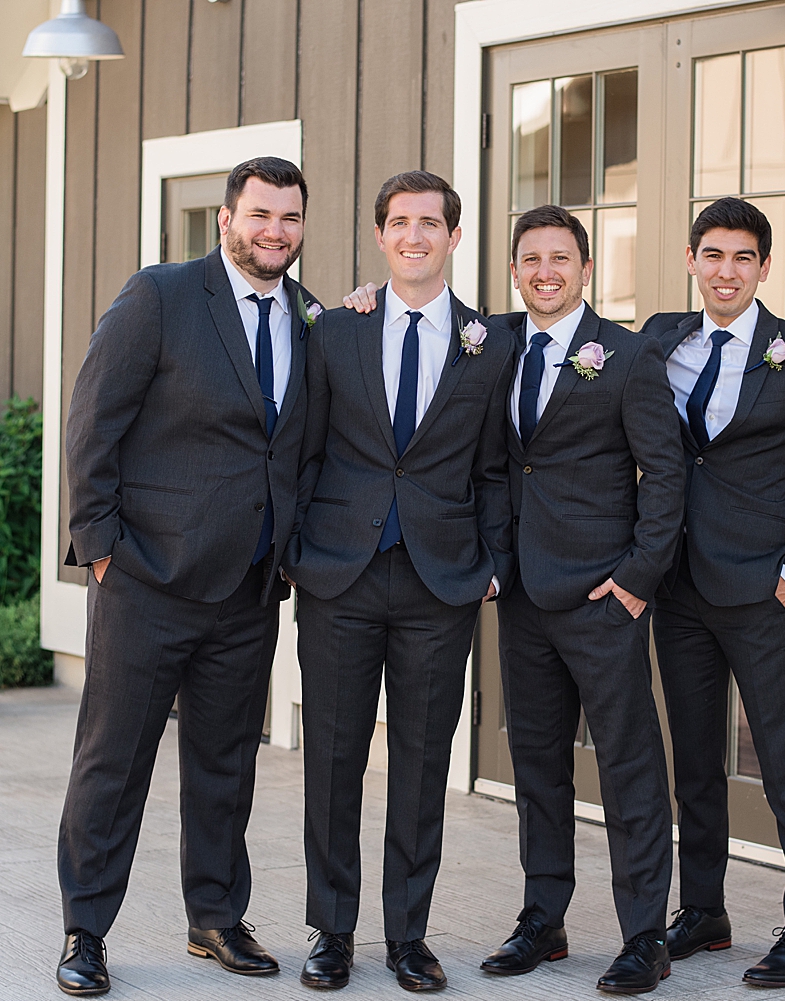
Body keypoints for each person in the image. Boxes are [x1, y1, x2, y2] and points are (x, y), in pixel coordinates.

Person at [55, 157, 318, 996]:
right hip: (146, 580)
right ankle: (85, 928)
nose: (274, 230)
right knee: (113, 761)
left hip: (248, 587)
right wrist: (100, 547)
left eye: (289, 218)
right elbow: (93, 419)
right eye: (260, 214)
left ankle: (213, 916)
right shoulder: (161, 295)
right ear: (225, 219)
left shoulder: (309, 317)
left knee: (224, 761)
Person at [284, 170, 515, 992]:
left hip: (439, 583)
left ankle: (408, 935)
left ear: (455, 237)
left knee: (422, 765)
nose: (414, 236)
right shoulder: (335, 332)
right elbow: (303, 449)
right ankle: (332, 931)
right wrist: (297, 552)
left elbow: (496, 469)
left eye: (430, 223)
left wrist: (490, 564)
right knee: (334, 760)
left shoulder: (491, 343)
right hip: (338, 577)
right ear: (380, 237)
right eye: (399, 223)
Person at [640, 197, 785, 988]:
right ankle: (704, 909)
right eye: (711, 255)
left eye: (742, 257)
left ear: (764, 267)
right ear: (693, 261)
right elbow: (562, 337)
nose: (725, 271)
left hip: (761, 592)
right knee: (694, 759)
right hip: (678, 587)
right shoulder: (660, 338)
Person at [481, 205, 683, 995]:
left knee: (630, 767)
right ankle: (544, 917)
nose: (544, 271)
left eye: (559, 258)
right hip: (523, 595)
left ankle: (644, 936)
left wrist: (638, 578)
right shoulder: (494, 344)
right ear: (513, 268)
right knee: (537, 768)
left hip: (605, 596)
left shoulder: (629, 357)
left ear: (586, 269)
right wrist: (362, 297)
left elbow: (665, 475)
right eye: (530, 258)